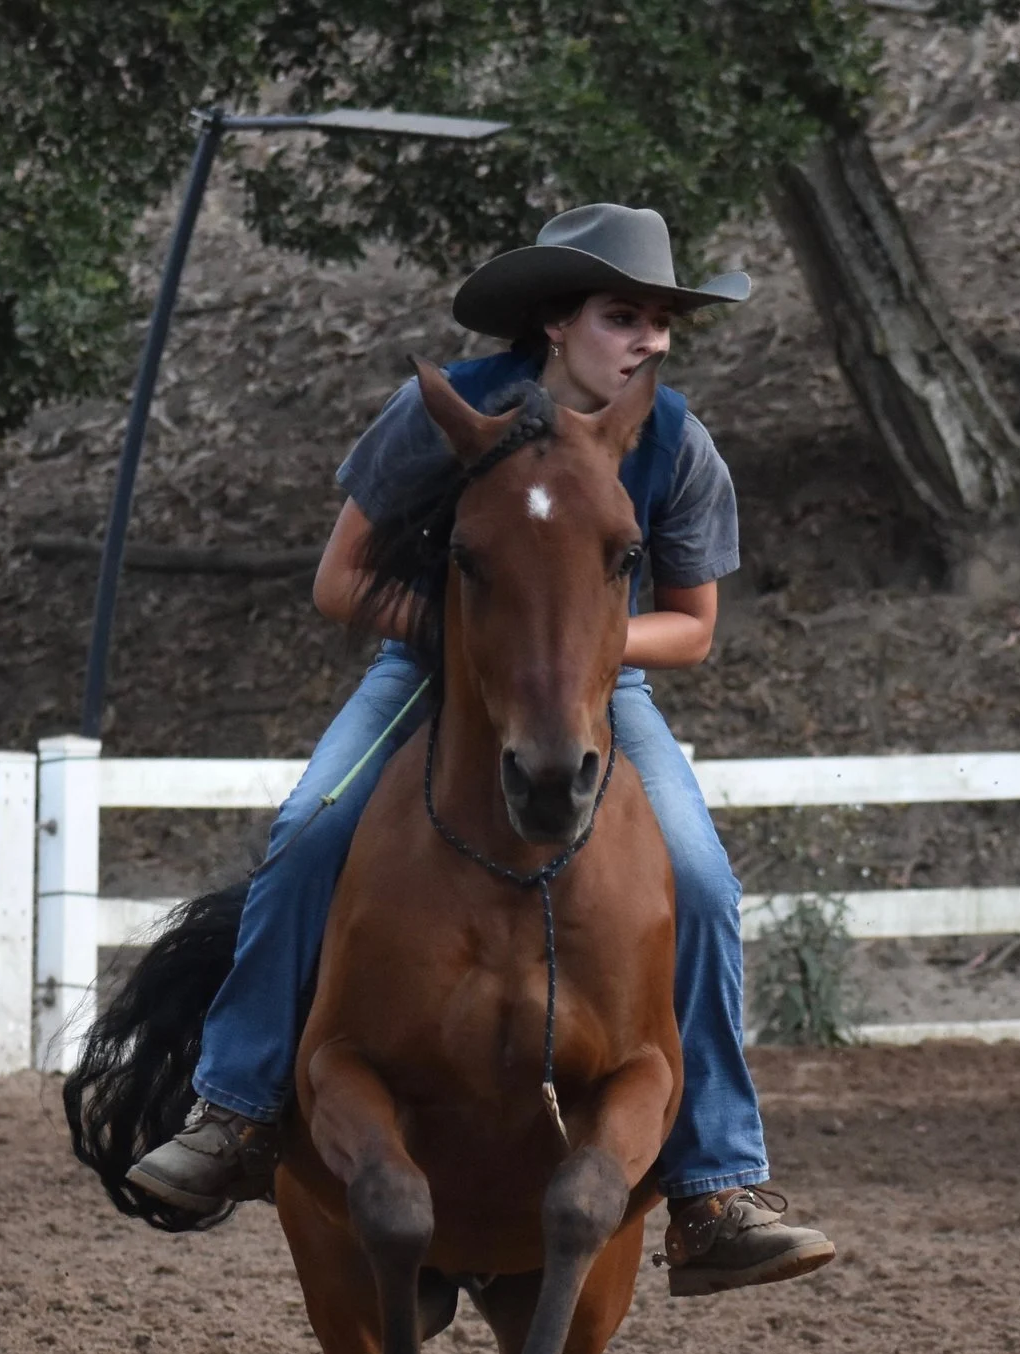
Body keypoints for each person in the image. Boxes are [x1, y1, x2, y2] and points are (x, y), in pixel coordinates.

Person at [129, 203, 833, 1297]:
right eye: (622, 316)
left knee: (700, 880)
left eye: (660, 322)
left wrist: (582, 647)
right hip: (428, 674)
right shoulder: (445, 414)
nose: (647, 340)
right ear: (555, 323)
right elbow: (338, 583)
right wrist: (480, 640)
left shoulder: (676, 440)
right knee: (307, 833)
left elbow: (691, 625)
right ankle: (234, 1109)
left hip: (601, 693)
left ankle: (713, 1184)